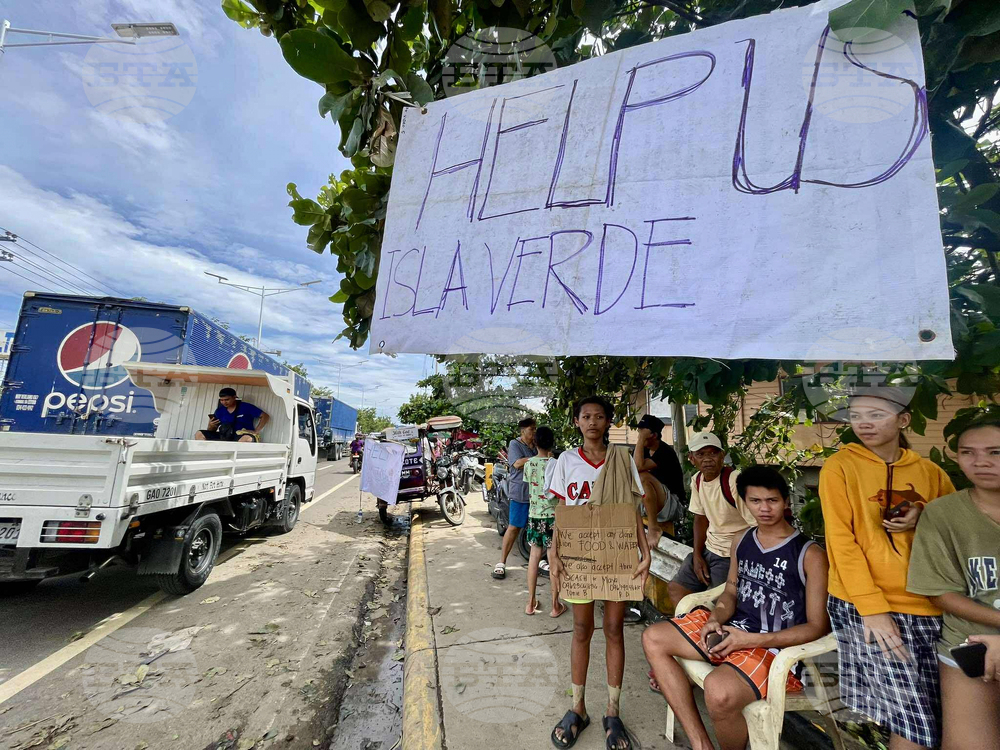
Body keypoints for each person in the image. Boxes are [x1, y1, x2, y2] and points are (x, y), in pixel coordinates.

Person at [643, 465, 829, 750]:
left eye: (772, 500)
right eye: (755, 501)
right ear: (745, 503)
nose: (764, 508)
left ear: (786, 501)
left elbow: (817, 627)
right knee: (653, 638)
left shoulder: (809, 554)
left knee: (719, 694)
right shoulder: (742, 541)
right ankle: (701, 743)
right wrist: (715, 618)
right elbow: (731, 591)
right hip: (735, 629)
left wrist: (750, 640)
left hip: (776, 649)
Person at [820, 385, 955, 750]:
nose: (864, 423)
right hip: (864, 605)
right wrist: (872, 609)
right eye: (856, 416)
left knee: (937, 713)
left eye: (876, 415)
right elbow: (841, 541)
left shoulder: (930, 472)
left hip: (929, 603)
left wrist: (921, 514)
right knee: (913, 722)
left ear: (903, 420)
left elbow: (952, 526)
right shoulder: (840, 467)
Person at [548, 396, 651, 750]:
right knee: (581, 629)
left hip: (617, 555)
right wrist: (554, 552)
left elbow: (633, 510)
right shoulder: (566, 461)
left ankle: (612, 711)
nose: (592, 422)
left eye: (599, 416)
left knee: (613, 629)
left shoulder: (622, 459)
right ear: (577, 421)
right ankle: (578, 707)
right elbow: (562, 510)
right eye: (586, 416)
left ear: (608, 422)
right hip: (577, 557)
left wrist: (646, 551)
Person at [906, 418, 1000, 749]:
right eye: (968, 452)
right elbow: (940, 593)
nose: (981, 462)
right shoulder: (943, 514)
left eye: (995, 452)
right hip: (968, 645)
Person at [667, 432, 756, 608]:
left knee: (717, 605)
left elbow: (757, 524)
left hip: (731, 555)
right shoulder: (697, 480)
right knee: (677, 589)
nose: (708, 459)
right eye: (701, 454)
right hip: (709, 549)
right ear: (692, 458)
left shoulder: (735, 481)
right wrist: (697, 555)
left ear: (722, 456)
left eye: (713, 453)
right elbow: (700, 518)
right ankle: (693, 625)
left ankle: (708, 624)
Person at [523, 425, 565, 618]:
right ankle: (555, 606)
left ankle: (530, 603)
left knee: (534, 557)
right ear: (552, 442)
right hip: (553, 518)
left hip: (534, 516)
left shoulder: (529, 464)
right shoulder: (556, 464)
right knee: (552, 558)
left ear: (535, 442)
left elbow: (530, 487)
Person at [492, 417, 537, 580]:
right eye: (532, 429)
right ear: (523, 431)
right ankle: (501, 562)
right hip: (520, 492)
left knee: (538, 527)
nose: (534, 432)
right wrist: (540, 457)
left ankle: (538, 561)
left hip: (537, 494)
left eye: (535, 429)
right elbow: (517, 464)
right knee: (514, 527)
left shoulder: (535, 446)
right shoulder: (515, 444)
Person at [632, 414, 686, 547]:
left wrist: (641, 439)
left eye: (642, 433)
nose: (639, 435)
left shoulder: (665, 452)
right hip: (651, 503)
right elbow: (632, 471)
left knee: (643, 476)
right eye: (639, 432)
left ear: (654, 435)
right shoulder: (642, 451)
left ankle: (653, 528)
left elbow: (638, 467)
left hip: (673, 505)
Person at [195, 387, 269, 442]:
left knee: (247, 438)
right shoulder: (219, 411)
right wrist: (211, 425)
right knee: (199, 434)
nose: (224, 402)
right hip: (225, 436)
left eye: (227, 399)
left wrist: (256, 431)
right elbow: (212, 430)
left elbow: (265, 416)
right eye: (221, 400)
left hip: (240, 435)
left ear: (234, 397)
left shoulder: (246, 407)